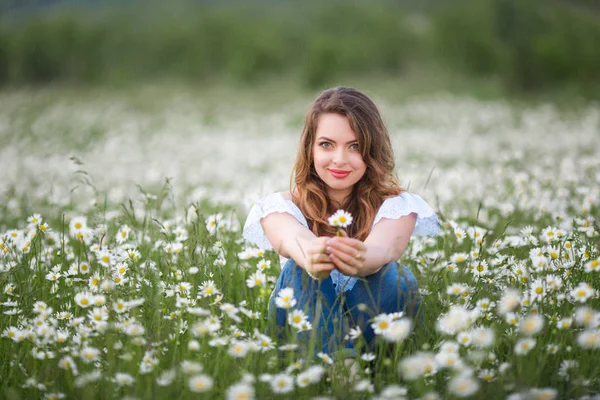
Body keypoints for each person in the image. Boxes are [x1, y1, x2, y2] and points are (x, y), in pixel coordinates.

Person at [243, 86, 439, 360]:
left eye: (355, 146)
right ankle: (341, 368)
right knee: (302, 269)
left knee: (398, 277)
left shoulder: (397, 206)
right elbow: (288, 237)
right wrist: (312, 255)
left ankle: (366, 365)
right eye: (326, 144)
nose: (340, 159)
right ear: (310, 148)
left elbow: (385, 249)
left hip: (369, 326)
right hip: (302, 331)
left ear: (372, 150)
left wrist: (360, 260)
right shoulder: (280, 206)